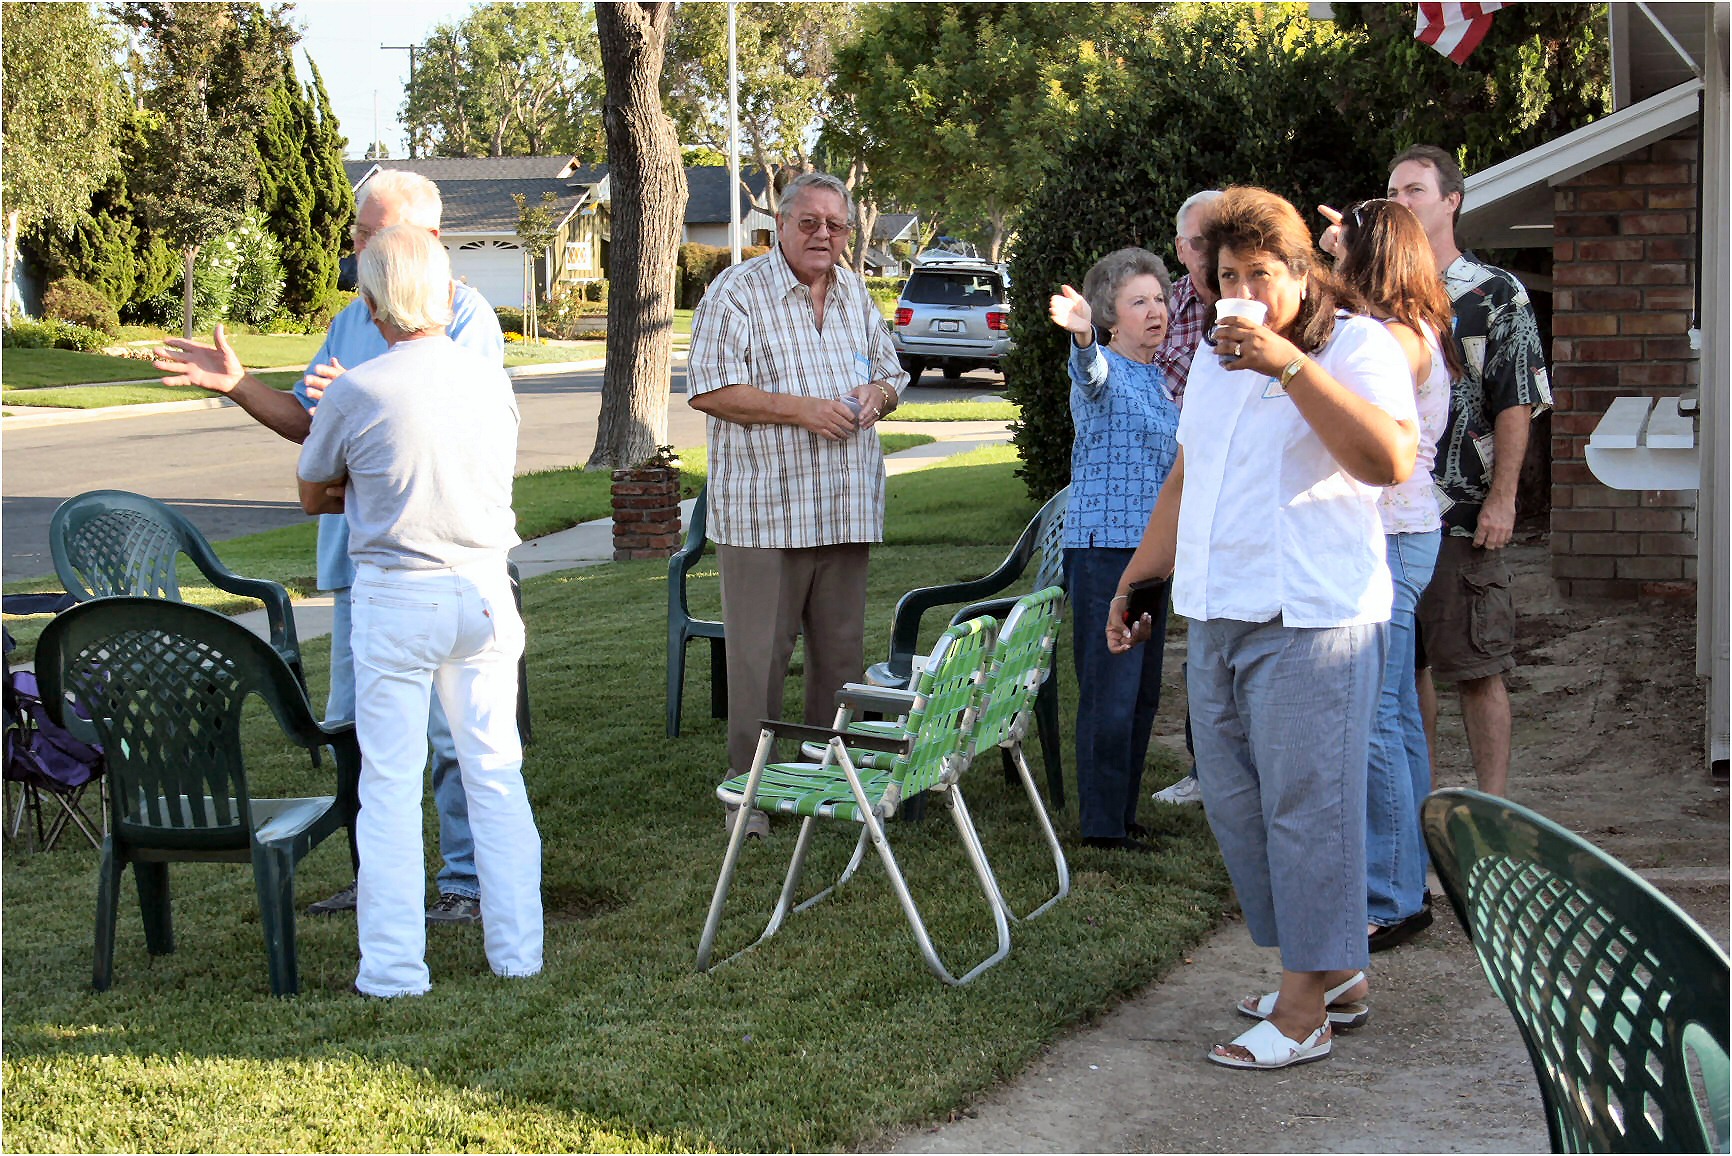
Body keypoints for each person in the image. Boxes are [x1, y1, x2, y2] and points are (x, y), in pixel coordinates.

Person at [1108, 187, 1419, 1070]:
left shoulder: (1358, 345)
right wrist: (1138, 576)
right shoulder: (1209, 356)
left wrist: (1287, 364)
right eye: (1227, 274)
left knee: (1307, 810)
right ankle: (1334, 973)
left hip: (1313, 616)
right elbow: (1188, 472)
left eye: (1261, 274)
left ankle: (1302, 1008)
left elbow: (1388, 460)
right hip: (1218, 609)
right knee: (1240, 807)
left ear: (1301, 271)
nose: (1240, 289)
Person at [154, 170, 503, 923]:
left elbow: (441, 442)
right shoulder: (353, 315)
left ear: (427, 242)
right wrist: (241, 385)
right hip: (356, 568)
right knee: (362, 736)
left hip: (437, 570)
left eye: (370, 234)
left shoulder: (465, 315)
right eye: (356, 232)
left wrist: (363, 406)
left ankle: (467, 883)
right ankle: (380, 879)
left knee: (448, 741)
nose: (356, 247)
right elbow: (317, 431)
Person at [296, 224, 541, 998]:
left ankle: (396, 969)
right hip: (484, 589)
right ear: (445, 293)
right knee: (496, 770)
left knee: (392, 784)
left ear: (371, 303)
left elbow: (312, 494)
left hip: (398, 594)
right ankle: (518, 951)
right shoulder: (489, 381)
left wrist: (365, 488)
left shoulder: (360, 389)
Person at [686, 171, 909, 837]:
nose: (822, 235)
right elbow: (711, 390)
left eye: (834, 225)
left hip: (844, 505)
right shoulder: (737, 293)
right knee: (758, 662)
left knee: (839, 659)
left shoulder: (853, 293)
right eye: (808, 222)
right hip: (764, 513)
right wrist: (803, 412)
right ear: (780, 225)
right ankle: (749, 800)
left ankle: (825, 788)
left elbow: (892, 371)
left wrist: (878, 396)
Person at [1386, 145, 1551, 798]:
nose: (1401, 202)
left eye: (1415, 191)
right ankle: (1419, 812)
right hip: (1391, 516)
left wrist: (1502, 500)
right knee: (1407, 672)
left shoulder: (1493, 294)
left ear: (1452, 200)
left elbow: (1517, 403)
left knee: (1477, 666)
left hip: (1460, 517)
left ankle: (1494, 811)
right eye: (1393, 192)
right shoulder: (1378, 300)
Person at [1331, 198, 1462, 952]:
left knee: (1379, 715)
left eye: (1345, 245)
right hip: (1410, 534)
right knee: (1402, 716)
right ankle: (1410, 874)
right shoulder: (1419, 326)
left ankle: (1393, 894)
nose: (1335, 255)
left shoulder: (1388, 337)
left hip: (1388, 539)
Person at [1047, 249, 1180, 852]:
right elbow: (1088, 372)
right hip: (1107, 556)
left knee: (1143, 691)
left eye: (1159, 299)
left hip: (1152, 556)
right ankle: (1101, 826)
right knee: (1110, 688)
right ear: (1109, 316)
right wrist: (1079, 339)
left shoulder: (1159, 377)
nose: (1155, 312)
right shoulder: (1102, 372)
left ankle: (1122, 815)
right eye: (1139, 303)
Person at [1148, 189, 1222, 809]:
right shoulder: (1165, 307)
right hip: (1181, 495)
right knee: (1201, 636)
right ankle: (1207, 768)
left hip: (1245, 500)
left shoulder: (1259, 302)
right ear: (1180, 248)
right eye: (1200, 242)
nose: (1212, 254)